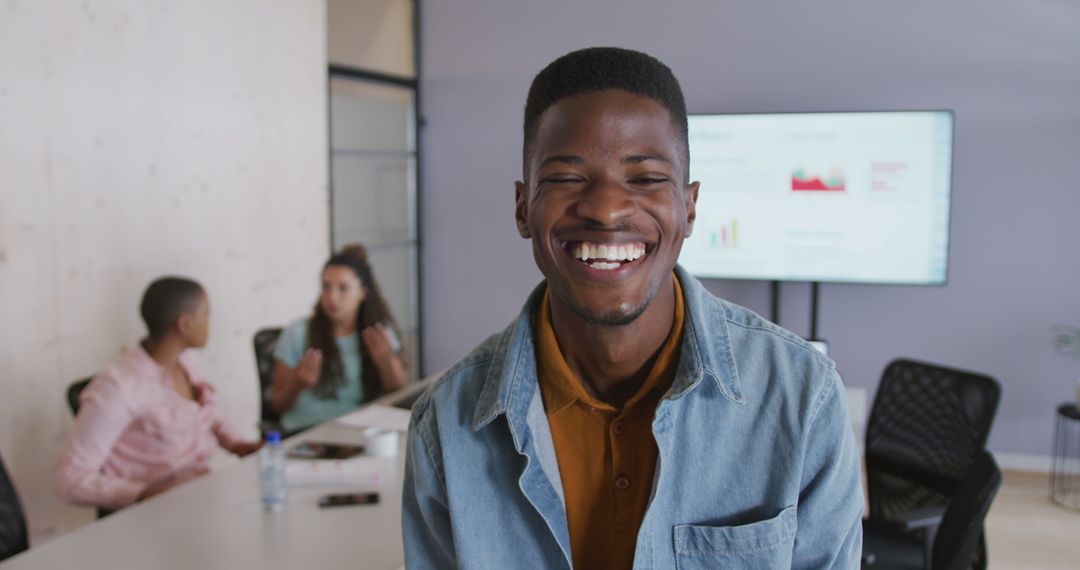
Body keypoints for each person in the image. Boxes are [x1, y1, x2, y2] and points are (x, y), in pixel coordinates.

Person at [402, 47, 863, 569]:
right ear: (522, 207)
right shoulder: (444, 425)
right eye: (567, 178)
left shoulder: (802, 398)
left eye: (644, 179)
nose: (606, 208)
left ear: (688, 208)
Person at [55, 277, 261, 511]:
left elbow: (206, 412)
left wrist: (237, 445)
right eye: (206, 316)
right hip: (153, 515)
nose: (209, 323)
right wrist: (144, 494)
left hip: (201, 500)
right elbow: (69, 478)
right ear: (185, 324)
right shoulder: (120, 387)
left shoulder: (186, 362)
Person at [270, 244, 407, 432]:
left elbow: (399, 394)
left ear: (363, 293)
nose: (332, 297)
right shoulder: (297, 332)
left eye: (343, 288)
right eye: (326, 287)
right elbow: (277, 405)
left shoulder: (379, 334)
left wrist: (386, 361)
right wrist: (298, 383)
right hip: (305, 433)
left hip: (359, 431)